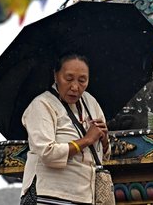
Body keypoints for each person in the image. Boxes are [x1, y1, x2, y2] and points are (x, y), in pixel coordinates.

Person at [20, 54, 110, 205]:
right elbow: (48, 153)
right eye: (68, 79)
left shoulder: (90, 102)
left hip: (86, 197)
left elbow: (104, 156)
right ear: (56, 76)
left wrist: (104, 140)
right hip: (49, 195)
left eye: (82, 81)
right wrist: (87, 139)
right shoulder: (42, 104)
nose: (75, 87)